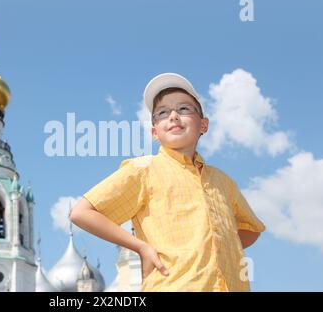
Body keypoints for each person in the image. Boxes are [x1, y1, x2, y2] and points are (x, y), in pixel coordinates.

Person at [70, 73, 266, 291]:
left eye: (184, 109)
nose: (173, 116)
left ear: (203, 125)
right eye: (162, 112)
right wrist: (141, 247)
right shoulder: (143, 170)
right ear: (154, 132)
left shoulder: (224, 182)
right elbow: (81, 213)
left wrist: (216, 248)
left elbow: (251, 229)